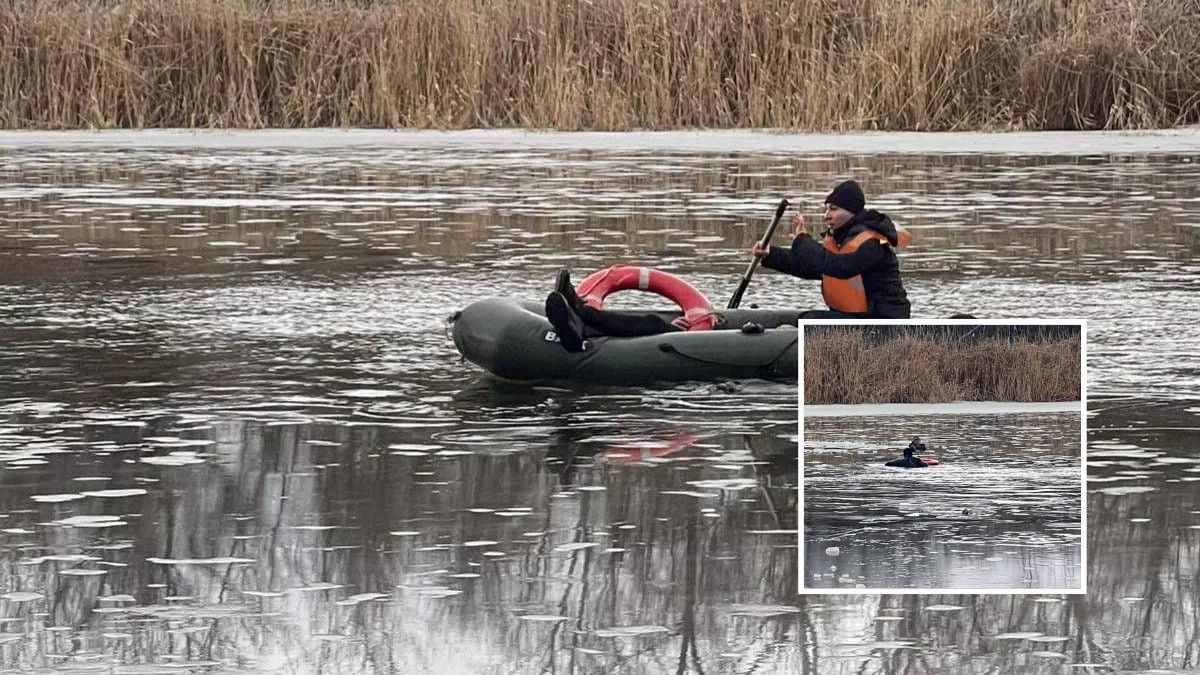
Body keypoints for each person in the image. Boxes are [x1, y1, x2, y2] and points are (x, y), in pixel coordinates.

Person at [751, 180, 911, 318]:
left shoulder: (873, 244)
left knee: (812, 320)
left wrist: (802, 241)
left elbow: (840, 267)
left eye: (833, 209)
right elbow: (816, 269)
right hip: (855, 317)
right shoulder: (843, 239)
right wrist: (771, 255)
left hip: (882, 321)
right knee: (806, 318)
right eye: (826, 209)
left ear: (851, 212)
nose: (826, 215)